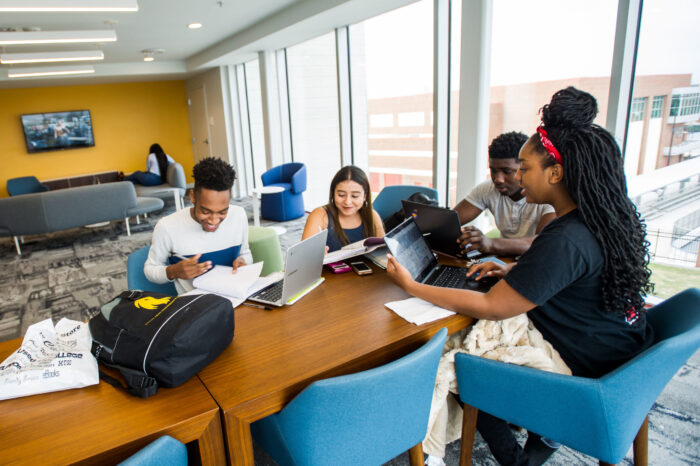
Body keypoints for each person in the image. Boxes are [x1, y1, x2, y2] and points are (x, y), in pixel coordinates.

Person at [386, 87, 654, 465]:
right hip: (626, 353)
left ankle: (520, 459)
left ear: (556, 172)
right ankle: (543, 437)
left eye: (524, 168)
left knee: (464, 365)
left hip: (589, 375)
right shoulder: (600, 220)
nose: (517, 177)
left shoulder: (565, 238)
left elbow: (493, 307)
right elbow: (574, 276)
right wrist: (514, 271)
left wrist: (413, 286)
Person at [144, 157, 252, 294]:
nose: (213, 220)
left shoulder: (239, 215)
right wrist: (173, 271)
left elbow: (246, 254)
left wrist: (243, 262)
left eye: (222, 212)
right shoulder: (167, 227)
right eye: (206, 211)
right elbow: (150, 270)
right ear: (193, 197)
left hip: (235, 297)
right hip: (196, 306)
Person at [454, 131, 556, 256]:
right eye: (493, 170)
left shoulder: (547, 196)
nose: (498, 179)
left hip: (533, 262)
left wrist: (491, 244)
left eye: (507, 171)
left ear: (524, 168)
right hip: (504, 260)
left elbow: (542, 243)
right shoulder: (488, 188)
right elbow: (451, 222)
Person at [301, 165, 385, 252]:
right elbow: (304, 255)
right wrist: (315, 253)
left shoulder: (371, 215)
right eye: (341, 195)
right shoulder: (320, 215)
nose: (347, 202)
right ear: (333, 193)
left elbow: (382, 253)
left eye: (354, 196)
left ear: (365, 196)